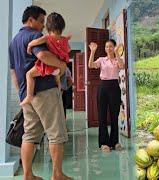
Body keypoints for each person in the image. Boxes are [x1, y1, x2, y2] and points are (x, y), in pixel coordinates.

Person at [9, 6, 71, 180]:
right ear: (31, 20)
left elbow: (13, 72)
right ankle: (57, 175)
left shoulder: (13, 41)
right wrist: (62, 66)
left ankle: (28, 175)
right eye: (41, 21)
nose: (43, 26)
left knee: (29, 135)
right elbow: (43, 55)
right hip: (45, 91)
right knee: (56, 133)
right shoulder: (34, 35)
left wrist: (23, 93)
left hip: (26, 95)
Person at [20, 12, 70, 106]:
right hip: (59, 68)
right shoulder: (64, 39)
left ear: (47, 28)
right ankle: (59, 87)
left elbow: (35, 42)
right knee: (57, 78)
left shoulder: (47, 38)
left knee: (29, 74)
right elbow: (68, 49)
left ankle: (29, 96)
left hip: (49, 66)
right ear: (62, 27)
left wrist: (29, 45)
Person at [88, 39, 125, 152]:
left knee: (114, 115)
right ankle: (103, 143)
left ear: (114, 47)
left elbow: (122, 66)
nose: (108, 49)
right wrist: (93, 51)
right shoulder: (101, 60)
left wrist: (117, 53)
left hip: (114, 87)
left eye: (110, 46)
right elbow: (90, 65)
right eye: (106, 47)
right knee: (102, 116)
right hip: (103, 87)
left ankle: (115, 142)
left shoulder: (117, 60)